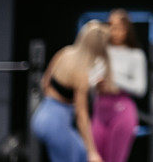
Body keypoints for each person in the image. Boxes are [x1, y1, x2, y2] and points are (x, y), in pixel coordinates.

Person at [31, 20, 110, 162]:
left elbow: (45, 83)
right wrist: (92, 151)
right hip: (56, 122)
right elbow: (82, 115)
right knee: (82, 155)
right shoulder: (81, 74)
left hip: (43, 114)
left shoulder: (65, 52)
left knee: (80, 153)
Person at [92, 9, 147, 162]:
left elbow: (140, 88)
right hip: (100, 110)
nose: (113, 31)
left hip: (121, 110)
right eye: (110, 25)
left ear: (126, 29)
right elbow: (89, 80)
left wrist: (114, 79)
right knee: (94, 157)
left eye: (117, 27)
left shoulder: (135, 54)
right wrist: (96, 83)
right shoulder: (100, 52)